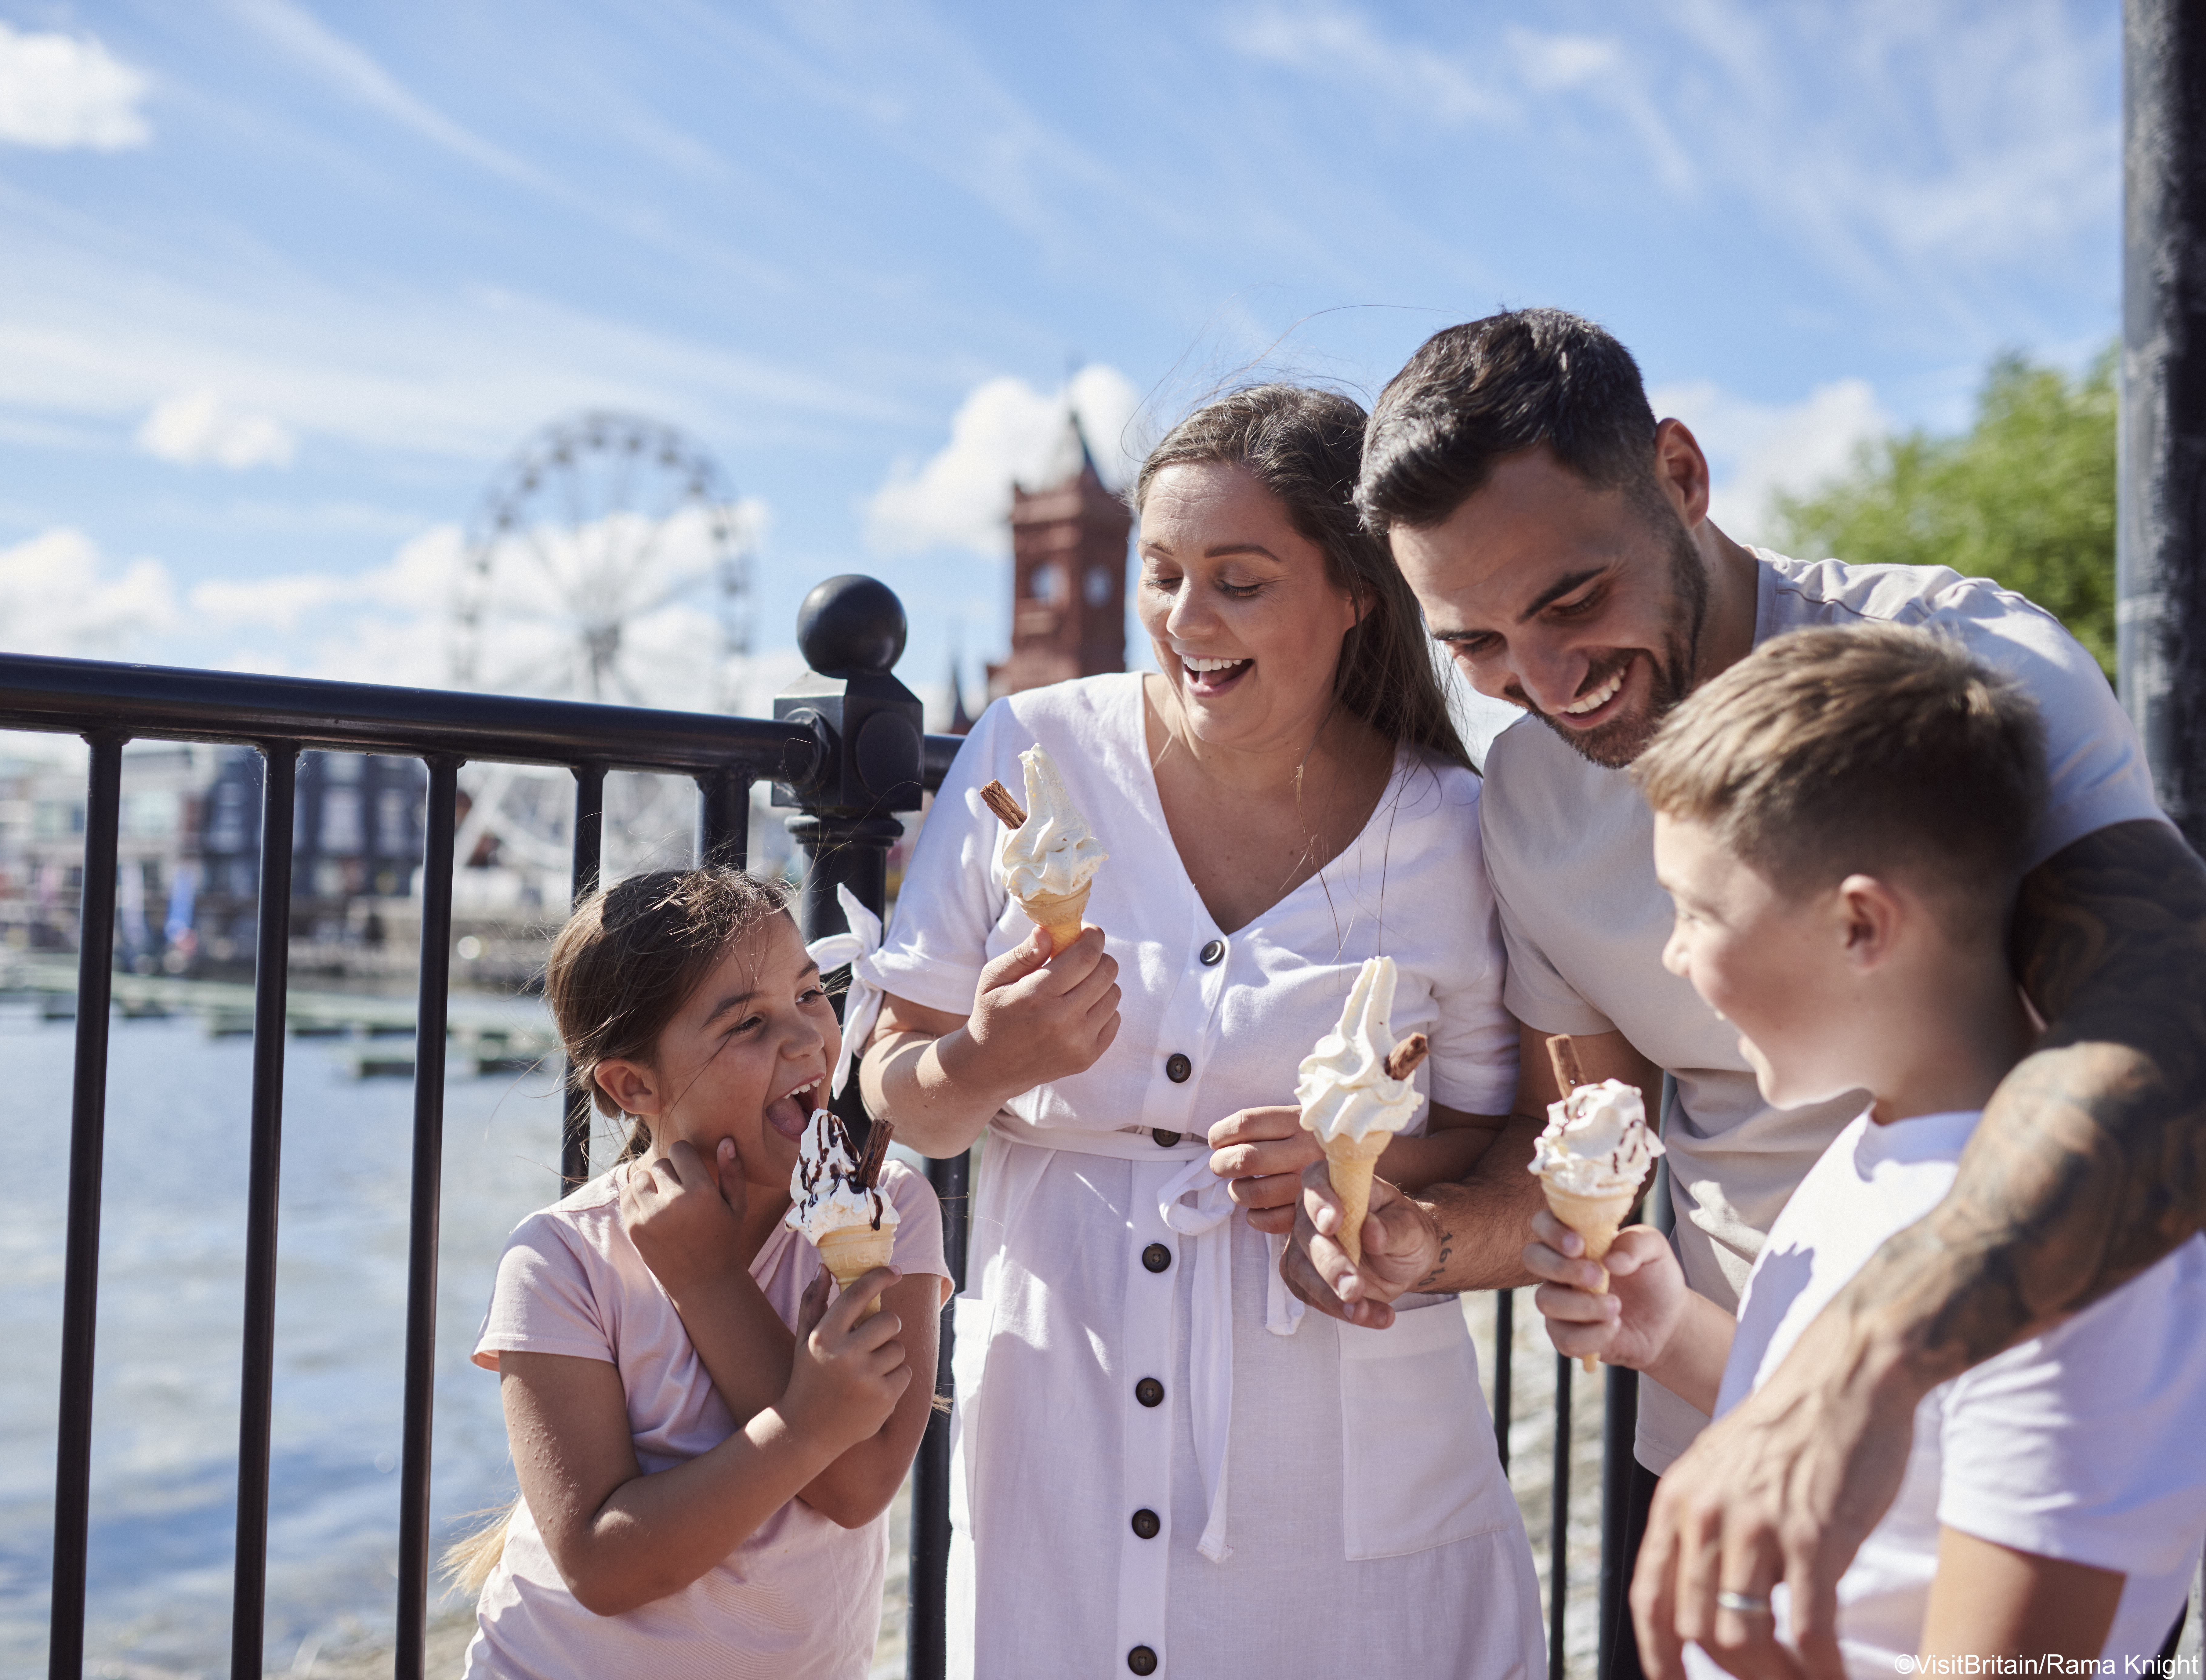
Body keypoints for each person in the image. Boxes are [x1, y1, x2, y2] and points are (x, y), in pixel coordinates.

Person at [1280, 308, 2206, 1680]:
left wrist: (1866, 1363)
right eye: (1475, 645)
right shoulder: (1527, 799)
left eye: (1574, 600)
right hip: (1717, 1410)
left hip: (1997, 1390)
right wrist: (1436, 1240)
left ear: (1683, 473)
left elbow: (2171, 1029)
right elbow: (1593, 1145)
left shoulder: (1963, 669)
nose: (1546, 689)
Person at [857, 385, 1546, 1678]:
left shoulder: (1457, 827)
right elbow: (900, 1100)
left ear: (1355, 589)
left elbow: (1491, 1127)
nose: (1186, 621)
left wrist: (1360, 1171)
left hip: (1336, 1435)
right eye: (1162, 575)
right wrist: (986, 1061)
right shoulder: (1032, 748)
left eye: (1239, 580)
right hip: (1059, 1407)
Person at [1528, 624, 2206, 1678]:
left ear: (1860, 927)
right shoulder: (1875, 1139)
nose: (1670, 952)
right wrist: (1671, 1337)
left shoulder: (2073, 1281)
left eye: (1696, 911)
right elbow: (1881, 1462)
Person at [451, 869, 947, 1679]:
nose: (805, 1040)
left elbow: (858, 1489)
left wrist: (713, 1281)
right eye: (748, 1023)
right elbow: (605, 1568)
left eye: (811, 995)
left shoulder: (890, 1213)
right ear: (632, 1084)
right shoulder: (562, 1261)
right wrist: (803, 1423)